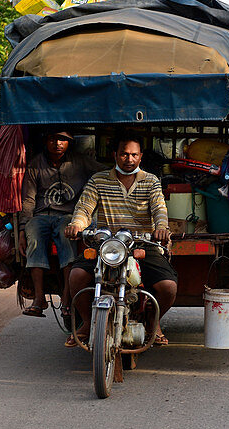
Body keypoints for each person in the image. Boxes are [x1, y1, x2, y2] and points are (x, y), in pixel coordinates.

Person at [64, 139, 175, 348]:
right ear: (115, 155)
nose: (129, 159)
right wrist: (76, 225)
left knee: (168, 287)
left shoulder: (151, 181)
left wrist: (161, 228)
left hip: (142, 243)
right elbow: (84, 209)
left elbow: (159, 209)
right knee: (77, 275)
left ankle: (153, 322)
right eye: (124, 154)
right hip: (106, 243)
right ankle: (87, 324)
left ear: (141, 157)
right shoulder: (98, 180)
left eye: (134, 155)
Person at [18, 130, 98, 318]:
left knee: (66, 237)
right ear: (46, 140)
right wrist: (22, 229)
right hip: (41, 215)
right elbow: (28, 200)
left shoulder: (80, 161)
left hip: (69, 216)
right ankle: (39, 299)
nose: (57, 143)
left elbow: (104, 172)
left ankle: (67, 299)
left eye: (62, 139)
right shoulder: (35, 164)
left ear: (70, 142)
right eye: (53, 138)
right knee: (34, 237)